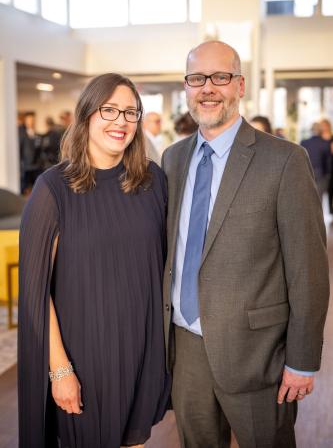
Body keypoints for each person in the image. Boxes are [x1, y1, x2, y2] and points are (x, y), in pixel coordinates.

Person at [161, 41, 329, 448]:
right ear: (186, 88)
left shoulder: (284, 160)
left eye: (220, 77)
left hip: (259, 355)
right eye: (197, 78)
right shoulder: (172, 160)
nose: (208, 88)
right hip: (186, 349)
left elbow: (308, 270)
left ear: (239, 85)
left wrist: (302, 361)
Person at [18, 73, 170, 448]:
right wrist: (60, 370)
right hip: (85, 357)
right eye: (110, 110)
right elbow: (36, 294)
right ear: (86, 114)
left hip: (142, 352)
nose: (121, 121)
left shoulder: (153, 181)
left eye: (131, 112)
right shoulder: (53, 189)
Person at [301, 121, 331, 203]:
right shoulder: (325, 143)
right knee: (318, 198)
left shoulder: (304, 142)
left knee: (307, 197)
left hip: (307, 173)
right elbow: (328, 161)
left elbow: (301, 159)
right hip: (321, 174)